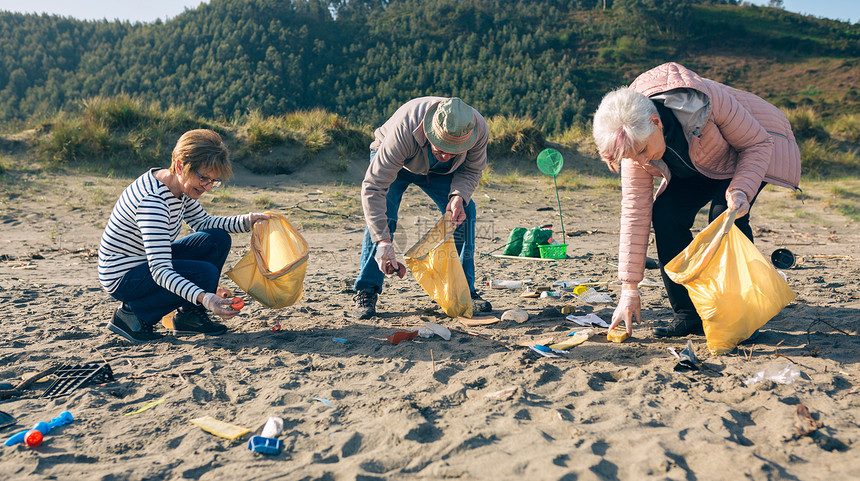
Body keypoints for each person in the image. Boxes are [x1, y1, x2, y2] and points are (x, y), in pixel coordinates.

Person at [592, 62, 801, 338]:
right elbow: (634, 212)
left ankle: (742, 315)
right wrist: (629, 289)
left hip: (747, 149)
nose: (641, 161)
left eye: (643, 151)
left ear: (656, 123)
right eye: (633, 157)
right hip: (694, 168)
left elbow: (757, 144)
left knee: (724, 216)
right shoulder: (633, 142)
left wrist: (740, 190)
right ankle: (689, 314)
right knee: (665, 214)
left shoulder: (706, 102)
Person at [98, 129, 269, 343]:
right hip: (123, 276)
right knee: (203, 274)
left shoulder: (176, 186)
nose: (207, 187)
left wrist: (250, 221)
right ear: (180, 165)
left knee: (217, 240)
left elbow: (203, 223)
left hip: (146, 263)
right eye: (204, 178)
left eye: (213, 181)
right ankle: (133, 315)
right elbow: (160, 271)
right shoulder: (153, 202)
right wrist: (206, 298)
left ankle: (188, 317)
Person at [352, 96, 492, 319]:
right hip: (398, 161)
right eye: (442, 148)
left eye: (453, 151)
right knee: (384, 217)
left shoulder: (478, 129)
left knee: (464, 213)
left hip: (441, 173)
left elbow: (472, 169)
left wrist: (458, 196)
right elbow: (374, 188)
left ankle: (465, 291)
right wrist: (383, 242)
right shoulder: (404, 130)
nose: (446, 155)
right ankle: (366, 289)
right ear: (429, 132)